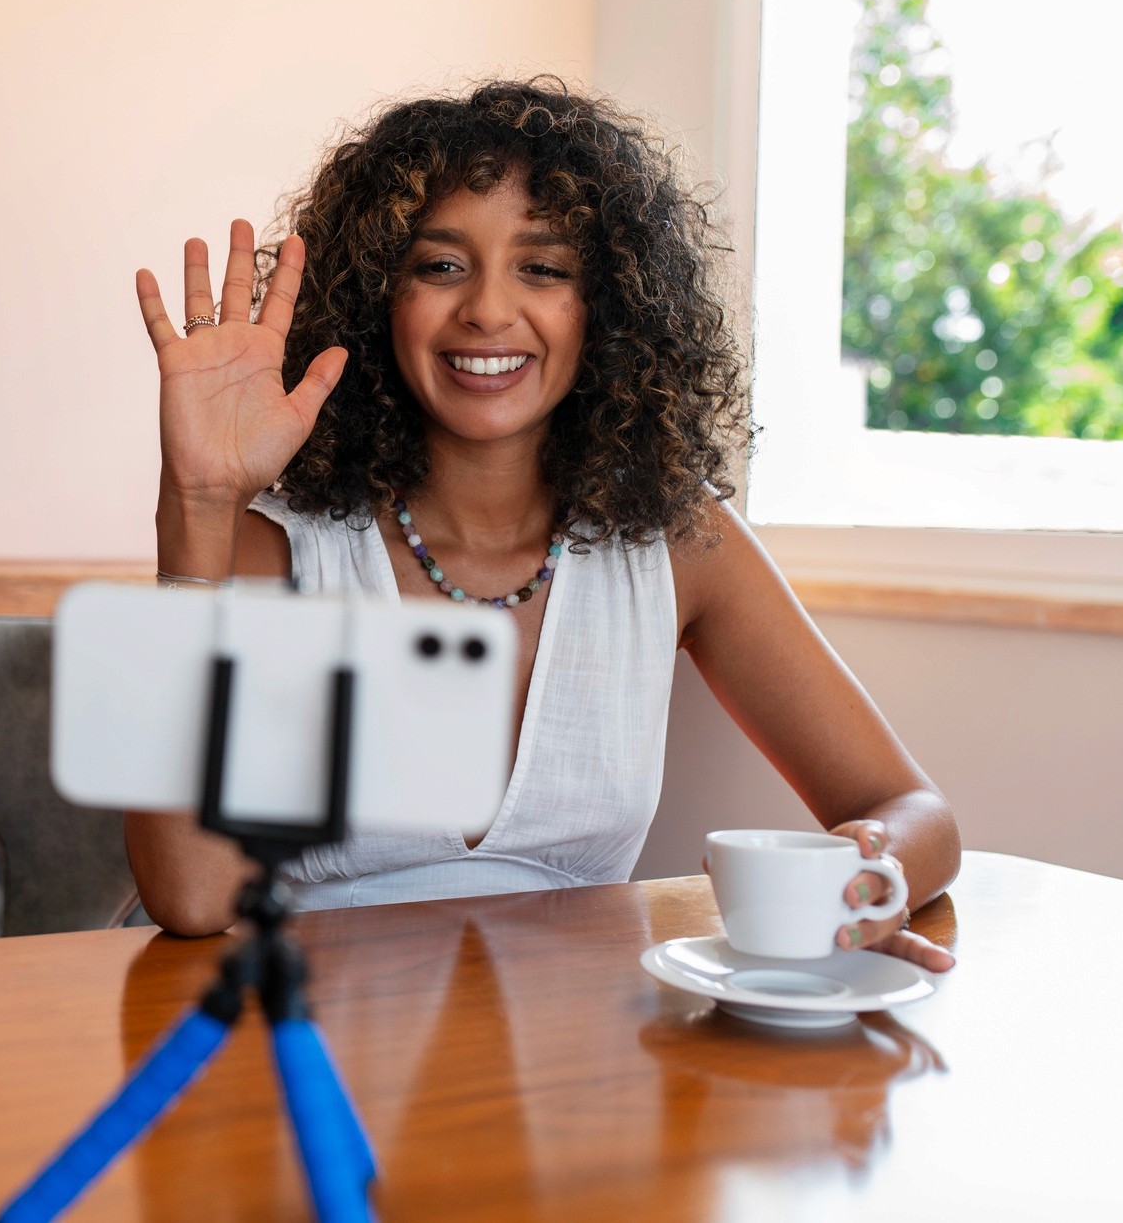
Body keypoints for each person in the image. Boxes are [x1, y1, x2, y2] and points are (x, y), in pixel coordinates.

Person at [126, 78, 958, 971]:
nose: (487, 308)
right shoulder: (275, 555)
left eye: (545, 267)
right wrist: (199, 506)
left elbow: (912, 807)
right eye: (440, 266)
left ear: (607, 308)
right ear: (380, 301)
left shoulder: (681, 547)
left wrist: (870, 875)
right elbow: (191, 896)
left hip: (563, 1078)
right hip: (296, 1069)